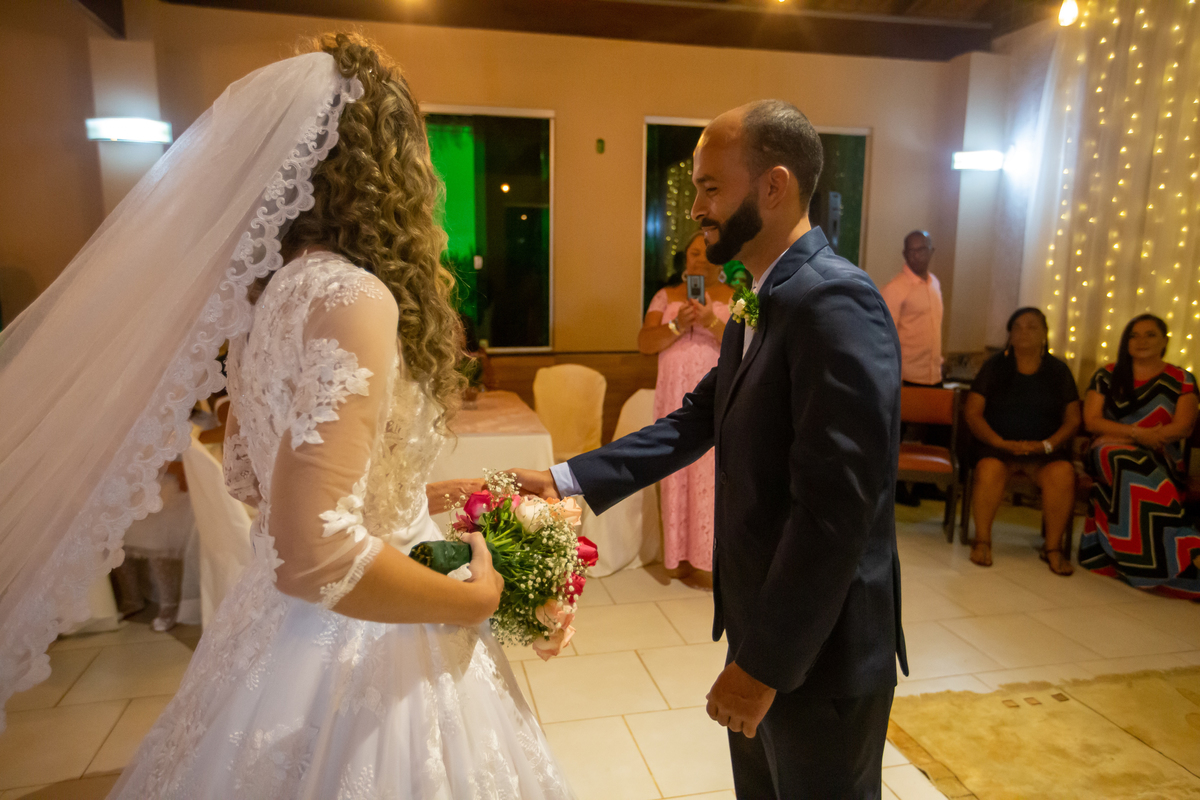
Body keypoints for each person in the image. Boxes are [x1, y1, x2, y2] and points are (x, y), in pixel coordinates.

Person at [0, 34, 573, 796]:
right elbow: (316, 553)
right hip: (363, 645)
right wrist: (476, 596)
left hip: (277, 635)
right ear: (384, 166)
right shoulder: (355, 298)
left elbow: (254, 480)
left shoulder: (271, 300)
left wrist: (414, 501)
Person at [514, 99, 907, 799]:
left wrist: (765, 668)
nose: (693, 206)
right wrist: (566, 480)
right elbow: (695, 420)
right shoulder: (758, 296)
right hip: (766, 625)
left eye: (709, 187)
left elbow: (835, 514)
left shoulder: (835, 302)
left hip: (818, 652)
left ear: (774, 187)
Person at [1078, 314, 1200, 599]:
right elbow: (1092, 422)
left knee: (1133, 464)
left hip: (1161, 458)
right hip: (1105, 454)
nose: (1141, 341)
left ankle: (1154, 559)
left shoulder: (1182, 379)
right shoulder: (1107, 374)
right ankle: (1185, 548)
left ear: (1165, 341)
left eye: (1150, 334)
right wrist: (1137, 435)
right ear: (1125, 342)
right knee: (1122, 457)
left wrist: (1142, 438)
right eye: (1134, 335)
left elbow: (1183, 426)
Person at [637, 230, 733, 588]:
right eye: (695, 253)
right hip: (674, 394)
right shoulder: (667, 296)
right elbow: (645, 342)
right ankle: (676, 558)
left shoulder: (736, 296)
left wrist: (709, 319)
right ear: (686, 259)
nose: (701, 259)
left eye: (709, 252)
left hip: (717, 394)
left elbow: (747, 346)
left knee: (711, 472)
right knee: (675, 470)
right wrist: (679, 324)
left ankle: (709, 562)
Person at [963, 308, 1081, 574]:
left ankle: (1052, 548)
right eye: (1017, 327)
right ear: (1010, 335)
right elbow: (972, 413)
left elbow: (1073, 419)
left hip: (1044, 452)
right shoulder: (994, 367)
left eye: (1032, 327)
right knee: (989, 470)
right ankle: (982, 541)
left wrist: (1047, 445)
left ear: (1044, 333)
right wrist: (1000, 442)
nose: (1024, 332)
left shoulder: (1058, 371)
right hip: (996, 447)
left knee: (1063, 474)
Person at [881, 230, 944, 388]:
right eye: (911, 251)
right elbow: (885, 336)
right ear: (904, 254)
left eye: (921, 250)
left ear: (931, 251)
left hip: (934, 376)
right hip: (907, 379)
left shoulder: (934, 284)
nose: (916, 256)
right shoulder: (895, 288)